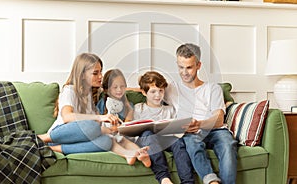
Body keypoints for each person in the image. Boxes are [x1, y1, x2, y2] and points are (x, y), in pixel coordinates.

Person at [38, 53, 150, 167]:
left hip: (80, 139)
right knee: (92, 126)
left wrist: (143, 90)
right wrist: (99, 117)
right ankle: (42, 139)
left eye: (100, 72)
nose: (100, 76)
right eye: (95, 73)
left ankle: (131, 153)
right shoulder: (69, 91)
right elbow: (67, 117)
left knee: (107, 140)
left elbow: (113, 87)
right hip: (61, 136)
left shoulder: (91, 93)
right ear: (82, 75)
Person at [164, 43, 238, 184]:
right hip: (191, 134)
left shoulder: (212, 89)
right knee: (192, 144)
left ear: (198, 65)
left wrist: (200, 124)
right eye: (181, 67)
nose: (184, 72)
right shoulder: (171, 88)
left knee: (228, 146)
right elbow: (145, 88)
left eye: (189, 67)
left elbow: (219, 120)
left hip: (215, 130)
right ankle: (212, 181)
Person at [134, 71, 195, 184]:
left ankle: (188, 181)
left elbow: (176, 128)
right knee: (148, 134)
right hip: (149, 142)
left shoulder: (170, 109)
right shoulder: (138, 109)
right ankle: (163, 178)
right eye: (153, 91)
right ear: (143, 92)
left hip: (166, 139)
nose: (158, 95)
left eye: (161, 91)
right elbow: (134, 129)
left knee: (178, 141)